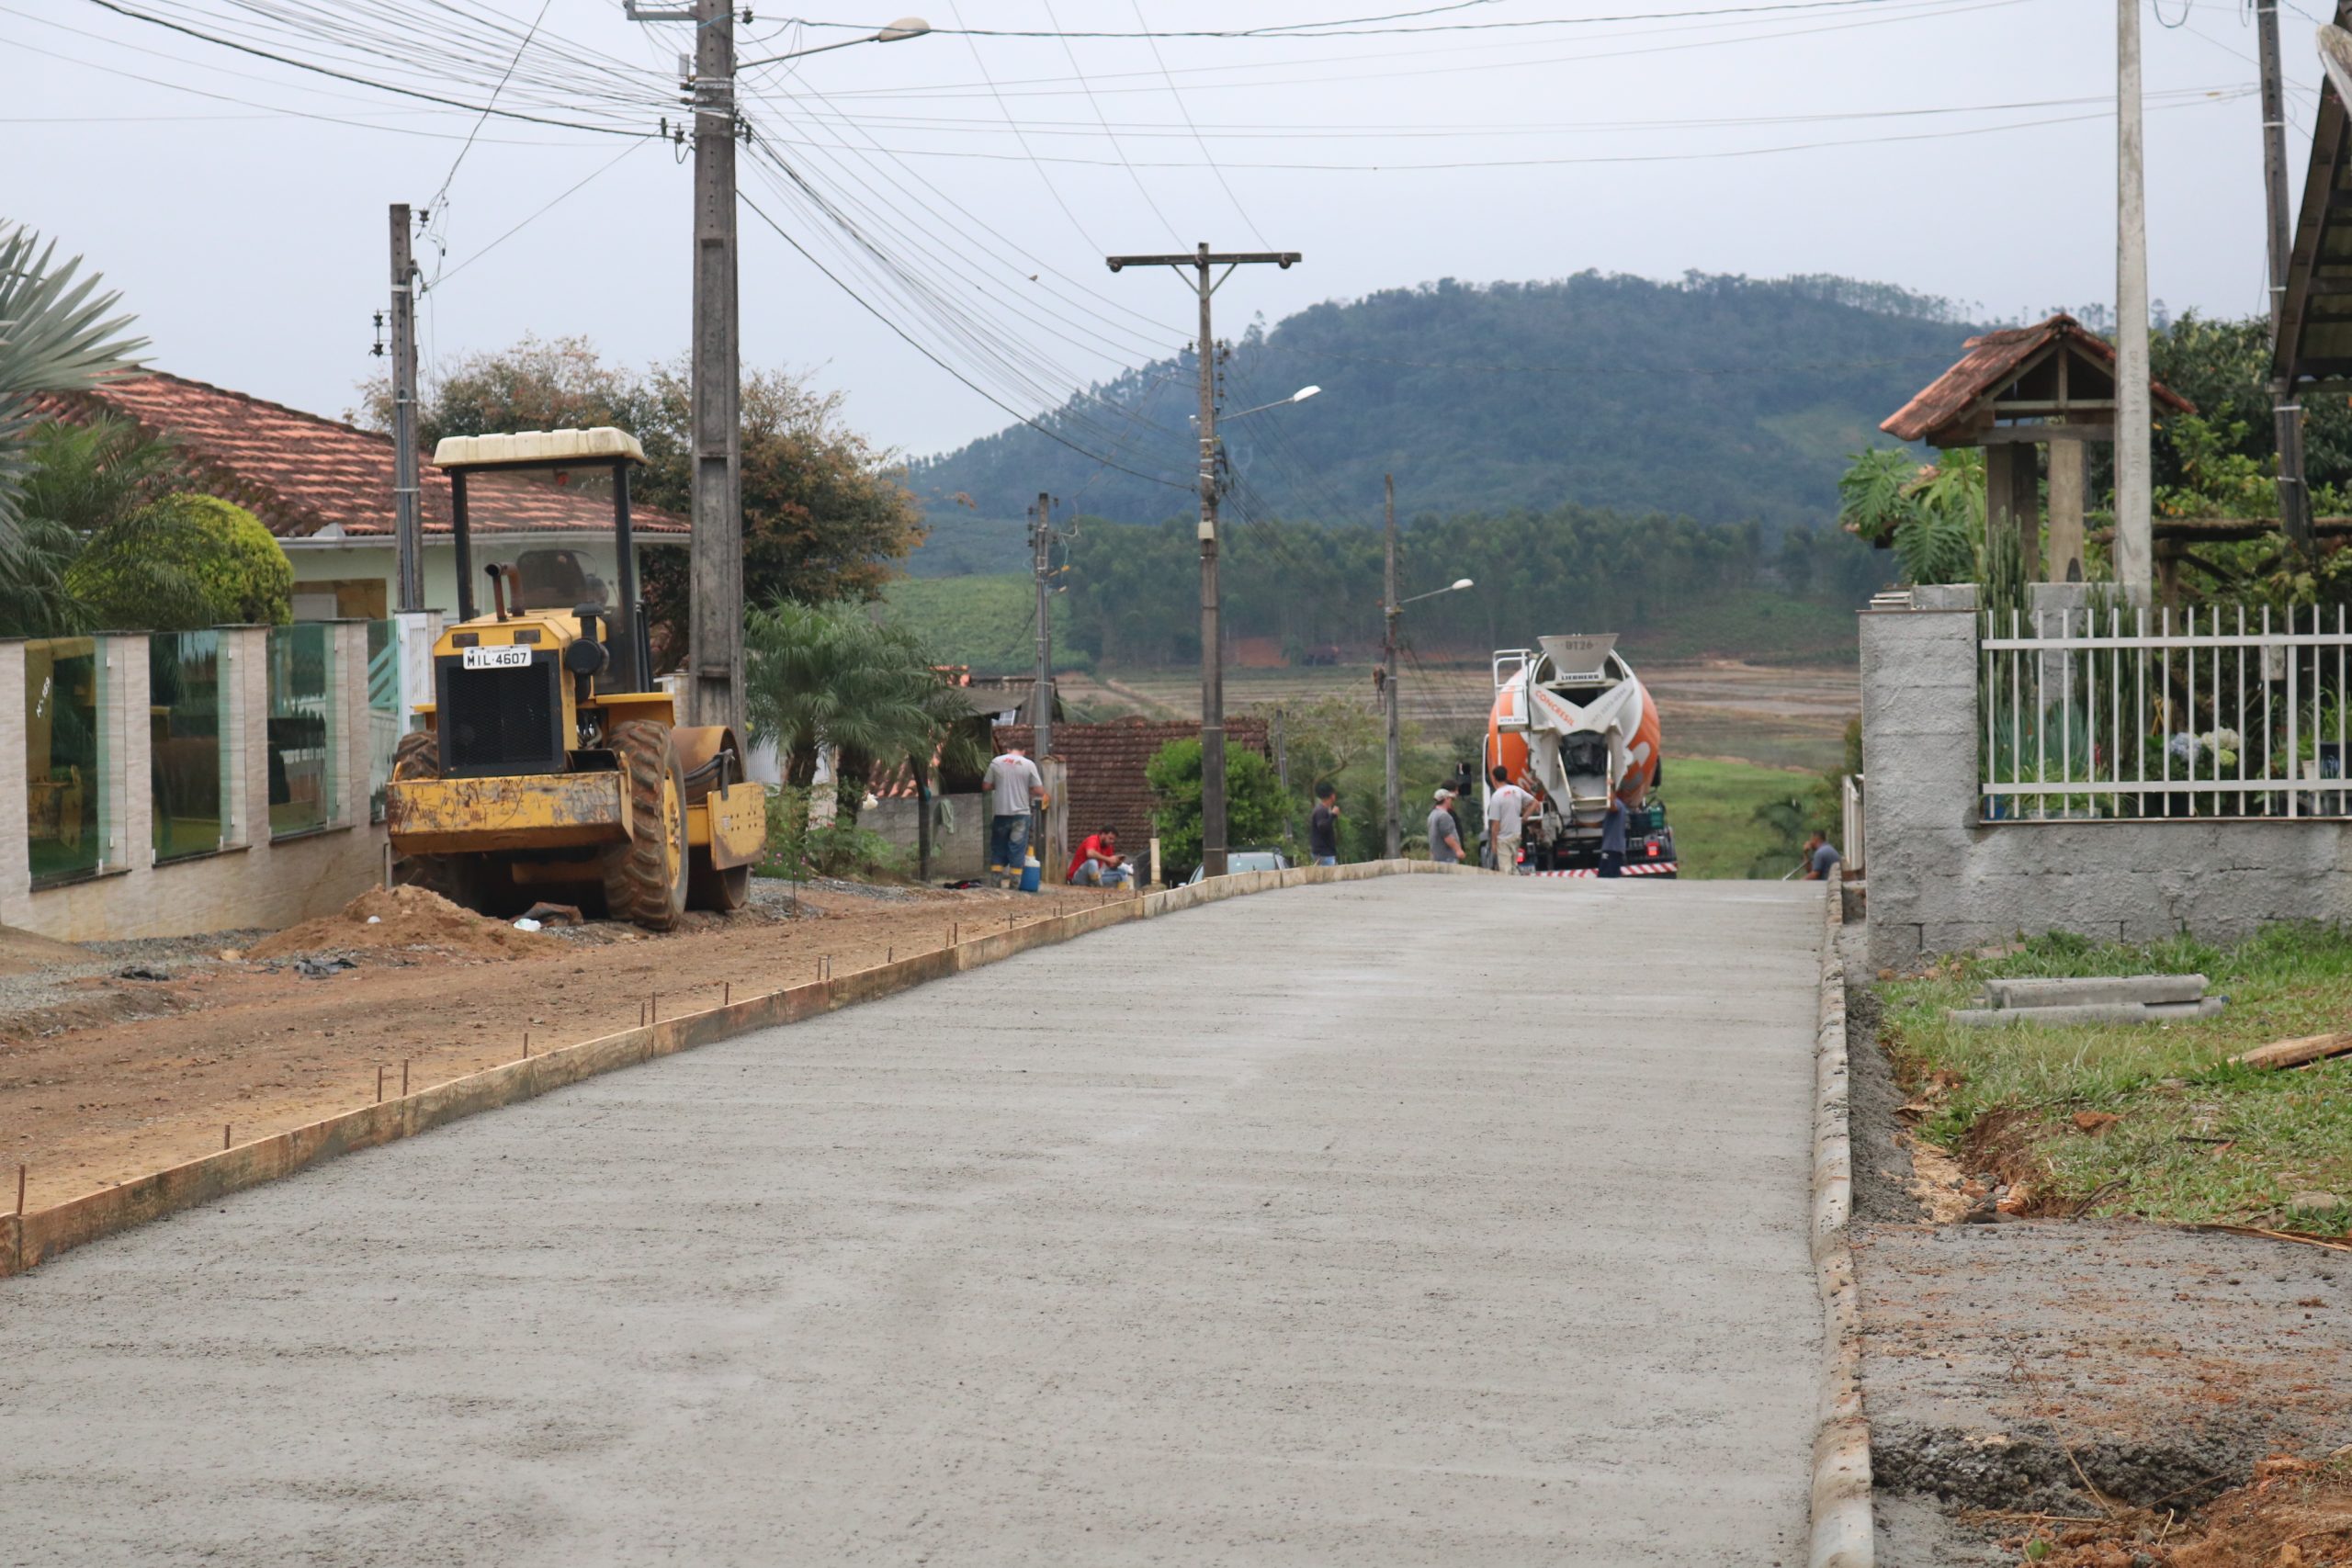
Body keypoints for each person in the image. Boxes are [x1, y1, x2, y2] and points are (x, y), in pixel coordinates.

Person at [982, 741, 1045, 884]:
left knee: (998, 846)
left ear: (1008, 750)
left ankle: (995, 882)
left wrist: (999, 785)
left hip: (1001, 813)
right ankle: (1015, 883)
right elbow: (1039, 791)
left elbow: (986, 786)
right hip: (1021, 814)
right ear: (1023, 751)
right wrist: (1026, 788)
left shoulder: (996, 762)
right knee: (1017, 848)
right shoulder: (1028, 764)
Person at [1485, 765, 1535, 875]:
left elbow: (1495, 824)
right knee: (1514, 866)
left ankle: (1509, 890)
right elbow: (1534, 803)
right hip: (1516, 835)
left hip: (1503, 838)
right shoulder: (1516, 790)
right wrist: (1525, 817)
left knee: (1505, 870)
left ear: (1494, 778)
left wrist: (1493, 843)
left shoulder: (1496, 796)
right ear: (1506, 776)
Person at [1067, 824, 1132, 888]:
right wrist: (1109, 859)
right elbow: (1090, 853)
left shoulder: (1108, 846)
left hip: (1094, 879)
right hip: (1078, 878)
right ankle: (1099, 888)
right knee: (1092, 862)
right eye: (1110, 838)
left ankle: (1122, 896)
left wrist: (1117, 862)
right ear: (1103, 834)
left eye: (1113, 840)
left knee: (1122, 874)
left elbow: (1110, 864)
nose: (1112, 841)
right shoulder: (1093, 839)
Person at [1597, 789, 1630, 878]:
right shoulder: (1615, 809)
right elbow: (1599, 824)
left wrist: (1608, 790)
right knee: (1613, 874)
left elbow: (1613, 807)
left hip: (1612, 847)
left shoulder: (1617, 804)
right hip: (1613, 848)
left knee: (1605, 874)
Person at [1426, 786, 1464, 864]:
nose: (1451, 801)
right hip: (1447, 858)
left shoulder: (1432, 815)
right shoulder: (1444, 816)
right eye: (1450, 799)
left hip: (1437, 857)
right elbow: (1447, 836)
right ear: (1446, 799)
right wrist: (1458, 850)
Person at [1308, 782, 1341, 866]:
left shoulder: (1321, 809)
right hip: (1324, 854)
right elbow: (1322, 826)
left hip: (1323, 853)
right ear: (1332, 796)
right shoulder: (1321, 810)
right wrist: (1333, 815)